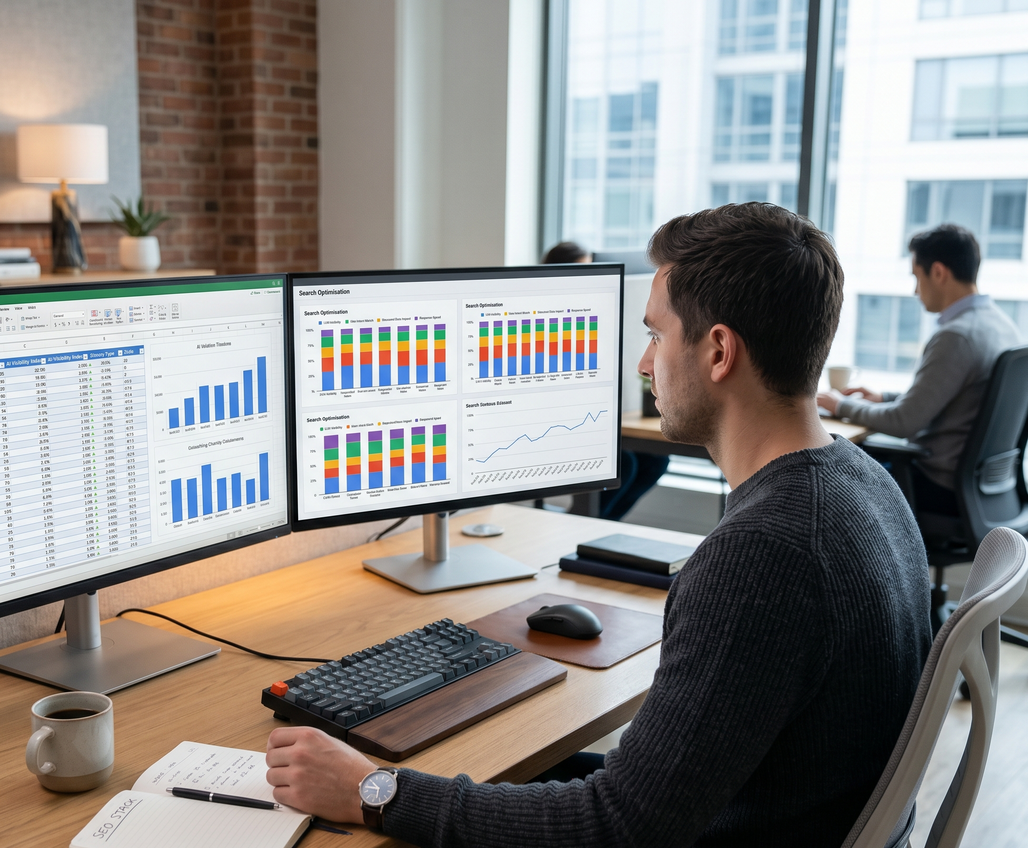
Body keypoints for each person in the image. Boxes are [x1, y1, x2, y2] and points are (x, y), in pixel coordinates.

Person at [265, 203, 932, 848]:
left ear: (719, 351)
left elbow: (619, 828)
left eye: (655, 335)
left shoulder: (763, 554)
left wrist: (375, 790)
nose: (645, 365)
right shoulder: (864, 482)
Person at [816, 224, 1021, 516]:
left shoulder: (956, 337)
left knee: (830, 472)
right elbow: (951, 395)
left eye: (916, 276)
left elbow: (904, 423)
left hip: (936, 488)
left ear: (938, 272)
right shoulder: (1002, 326)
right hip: (986, 490)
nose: (915, 290)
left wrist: (840, 404)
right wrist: (884, 396)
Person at [539, 240, 670, 520]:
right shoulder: (542, 317)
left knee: (655, 461)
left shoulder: (594, 315)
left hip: (596, 416)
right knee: (624, 463)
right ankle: (584, 523)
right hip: (556, 423)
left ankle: (602, 524)